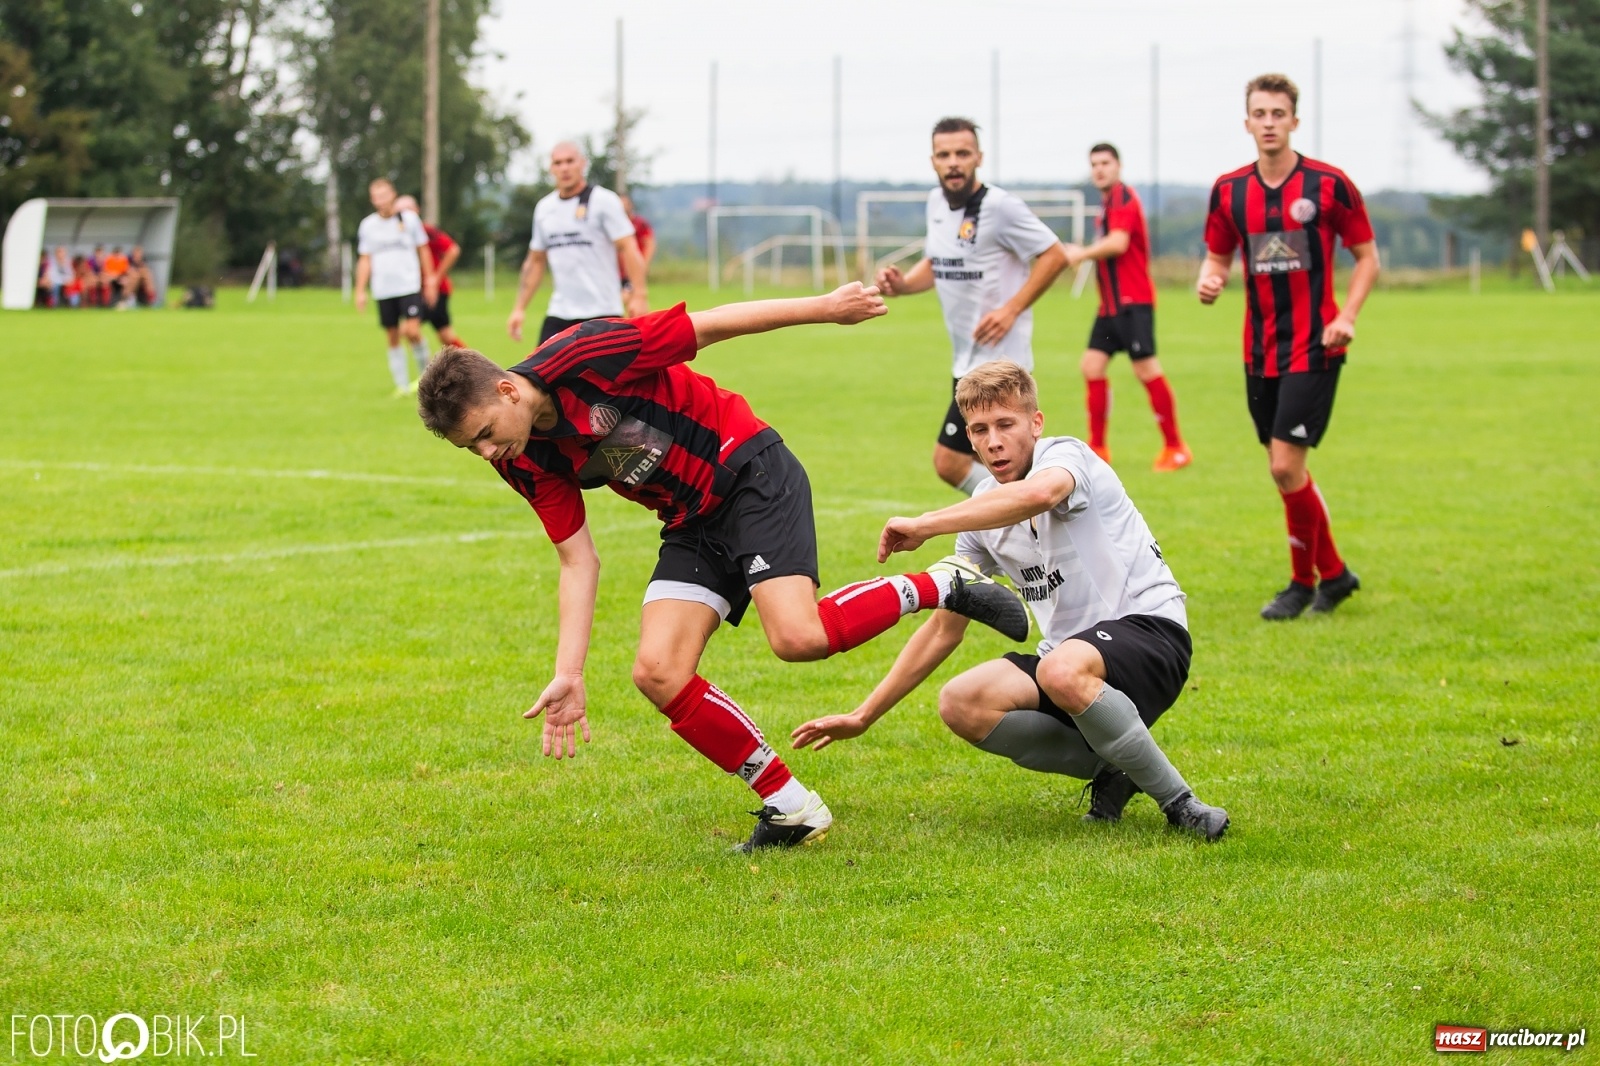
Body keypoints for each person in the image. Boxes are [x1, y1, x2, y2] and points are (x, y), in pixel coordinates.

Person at [416, 283, 1032, 852]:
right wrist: (568, 672)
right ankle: (792, 806)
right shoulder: (520, 459)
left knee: (797, 639)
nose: (488, 452)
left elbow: (711, 327)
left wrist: (828, 306)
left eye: (487, 434)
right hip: (691, 520)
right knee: (658, 671)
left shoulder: (585, 352)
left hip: (750, 472)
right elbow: (577, 559)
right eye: (473, 447)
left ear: (506, 391)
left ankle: (944, 583)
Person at [791, 361, 1228, 841]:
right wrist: (864, 714)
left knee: (1059, 669)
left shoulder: (1065, 455)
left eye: (1006, 424)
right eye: (980, 430)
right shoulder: (981, 505)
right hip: (1071, 665)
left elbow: (1040, 494)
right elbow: (944, 627)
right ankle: (1116, 767)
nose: (994, 441)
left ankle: (1181, 803)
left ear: (1035, 424)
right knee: (961, 703)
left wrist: (927, 523)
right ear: (971, 440)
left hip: (1151, 632)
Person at [1197, 73, 1379, 620]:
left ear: (1294, 121)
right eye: (1261, 113)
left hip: (1316, 344)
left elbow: (1367, 256)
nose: (1270, 123)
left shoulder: (1329, 185)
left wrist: (1347, 316)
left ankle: (1302, 584)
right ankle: (1337, 574)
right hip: (1259, 350)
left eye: (1280, 114)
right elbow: (1218, 256)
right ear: (1247, 121)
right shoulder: (1230, 191)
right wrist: (1210, 279)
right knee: (1287, 471)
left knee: (1283, 467)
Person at [876, 117, 1069, 495]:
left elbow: (1055, 255)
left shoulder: (1000, 207)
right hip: (966, 363)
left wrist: (1011, 309)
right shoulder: (936, 204)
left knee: (950, 461)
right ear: (932, 160)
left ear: (978, 157)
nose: (953, 162)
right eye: (944, 154)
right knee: (1000, 464)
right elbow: (937, 262)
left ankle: (1032, 513)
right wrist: (902, 285)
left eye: (962, 153)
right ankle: (1028, 526)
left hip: (1000, 366)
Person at [1062, 144, 1190, 471]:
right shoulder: (1105, 206)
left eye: (1105, 163)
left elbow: (1118, 244)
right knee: (1091, 365)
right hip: (1110, 308)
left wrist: (1081, 253)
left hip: (1134, 304)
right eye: (1094, 164)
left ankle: (1176, 447)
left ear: (1118, 166)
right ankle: (1099, 449)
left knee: (1146, 370)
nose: (1099, 169)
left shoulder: (1123, 198)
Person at [507, 141, 649, 345]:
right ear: (551, 168)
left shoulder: (604, 201)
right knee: (537, 374)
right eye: (558, 163)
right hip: (560, 313)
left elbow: (628, 247)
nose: (564, 168)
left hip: (603, 312)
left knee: (604, 377)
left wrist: (639, 295)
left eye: (570, 161)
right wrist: (519, 308)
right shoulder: (545, 208)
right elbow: (535, 261)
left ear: (582, 164)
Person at [355, 177, 438, 396]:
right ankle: (401, 385)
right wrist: (360, 290)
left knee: (412, 330)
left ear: (393, 194)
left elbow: (423, 249)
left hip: (408, 285)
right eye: (376, 197)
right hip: (383, 289)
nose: (381, 200)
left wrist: (429, 279)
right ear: (372, 200)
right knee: (392, 335)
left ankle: (426, 377)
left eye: (384, 195)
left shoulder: (409, 220)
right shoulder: (368, 225)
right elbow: (365, 259)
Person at [394, 195, 468, 349]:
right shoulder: (397, 235)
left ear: (416, 210)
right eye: (400, 211)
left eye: (408, 209)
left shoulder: (426, 231)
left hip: (435, 291)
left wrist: (434, 278)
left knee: (409, 329)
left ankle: (469, 366)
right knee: (445, 336)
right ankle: (470, 366)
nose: (404, 214)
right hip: (413, 289)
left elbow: (452, 250)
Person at [618, 193, 655, 292]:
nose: (622, 207)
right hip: (617, 271)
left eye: (625, 204)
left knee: (631, 296)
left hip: (634, 269)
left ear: (631, 205)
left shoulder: (640, 223)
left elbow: (650, 244)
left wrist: (645, 265)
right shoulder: (613, 226)